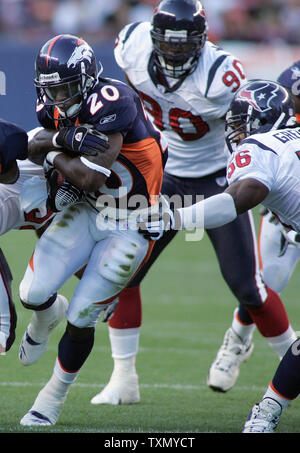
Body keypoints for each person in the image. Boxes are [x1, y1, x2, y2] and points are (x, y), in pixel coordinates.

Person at [90, 0, 296, 405]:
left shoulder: (222, 74)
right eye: (168, 44)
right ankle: (123, 379)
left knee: (248, 288)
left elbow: (263, 124)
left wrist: (270, 182)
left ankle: (290, 361)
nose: (175, 53)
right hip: (161, 173)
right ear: (152, 38)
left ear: (201, 41)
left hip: (219, 180)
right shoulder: (131, 46)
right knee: (125, 270)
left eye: (185, 46)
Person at [18, 33, 167, 426]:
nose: (57, 100)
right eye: (51, 91)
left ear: (85, 80)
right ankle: (47, 315)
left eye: (66, 89)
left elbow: (86, 176)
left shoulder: (114, 101)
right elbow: (38, 146)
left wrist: (51, 147)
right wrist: (59, 143)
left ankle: (51, 398)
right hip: (87, 212)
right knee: (31, 292)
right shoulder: (50, 109)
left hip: (132, 220)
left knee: (83, 316)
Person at [0, 119, 63, 355]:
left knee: (103, 283)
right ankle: (44, 318)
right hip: (38, 215)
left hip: (70, 216)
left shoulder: (45, 143)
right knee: (32, 293)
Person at [258, 61, 300, 294]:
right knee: (269, 283)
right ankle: (239, 332)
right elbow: (278, 123)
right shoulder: (294, 78)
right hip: (289, 188)